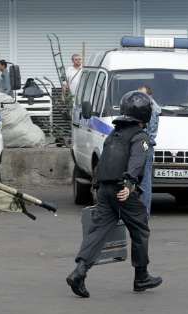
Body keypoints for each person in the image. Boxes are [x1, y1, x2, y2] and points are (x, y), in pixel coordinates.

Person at [66, 90, 162, 298]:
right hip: (122, 191)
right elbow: (137, 162)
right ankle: (141, 276)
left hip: (104, 189)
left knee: (97, 232)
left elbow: (104, 161)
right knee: (140, 230)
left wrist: (98, 186)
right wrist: (129, 184)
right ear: (146, 115)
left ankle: (79, 272)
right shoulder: (140, 136)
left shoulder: (114, 134)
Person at [138, 85, 161, 217]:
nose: (139, 98)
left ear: (149, 96)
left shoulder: (150, 108)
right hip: (145, 145)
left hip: (145, 145)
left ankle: (144, 214)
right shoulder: (151, 106)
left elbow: (147, 133)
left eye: (142, 95)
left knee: (145, 182)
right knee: (144, 180)